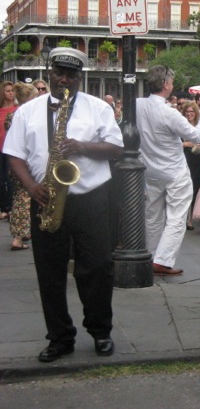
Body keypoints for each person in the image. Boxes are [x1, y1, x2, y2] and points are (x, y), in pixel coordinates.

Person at [4, 47, 123, 362]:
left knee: (98, 267)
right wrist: (31, 187)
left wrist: (81, 146)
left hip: (91, 197)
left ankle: (100, 331)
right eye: (59, 73)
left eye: (72, 75)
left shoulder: (98, 108)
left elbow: (114, 148)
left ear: (80, 77)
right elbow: (14, 155)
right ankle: (59, 337)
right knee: (50, 273)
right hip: (45, 197)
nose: (65, 80)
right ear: (50, 73)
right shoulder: (28, 111)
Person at [136, 66, 200, 276]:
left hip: (150, 170)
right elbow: (196, 137)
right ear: (166, 84)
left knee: (152, 215)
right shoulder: (168, 113)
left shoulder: (137, 104)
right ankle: (162, 260)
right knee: (177, 216)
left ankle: (150, 255)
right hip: (174, 171)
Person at [6, 82, 38, 250]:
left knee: (19, 197)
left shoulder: (12, 114)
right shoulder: (24, 114)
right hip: (24, 161)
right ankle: (19, 236)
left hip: (16, 162)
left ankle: (20, 234)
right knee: (24, 199)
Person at [181, 100, 200, 230]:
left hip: (198, 160)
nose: (189, 114)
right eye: (187, 111)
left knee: (196, 187)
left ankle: (191, 217)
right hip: (185, 159)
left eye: (192, 111)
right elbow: (174, 143)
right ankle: (185, 218)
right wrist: (185, 144)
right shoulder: (180, 125)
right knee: (185, 188)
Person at [0, 81, 17, 220]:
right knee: (1, 178)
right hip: (0, 147)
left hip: (11, 148)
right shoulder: (1, 110)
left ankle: (10, 207)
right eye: (7, 91)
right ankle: (3, 207)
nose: (11, 93)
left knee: (10, 178)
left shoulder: (18, 110)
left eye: (12, 90)